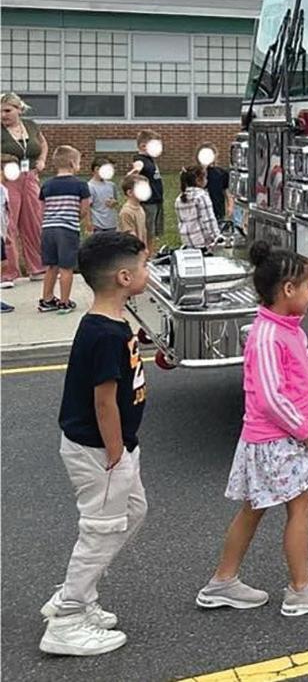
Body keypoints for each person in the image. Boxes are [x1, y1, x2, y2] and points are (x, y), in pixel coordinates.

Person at [196, 242, 308, 617]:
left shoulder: (283, 329)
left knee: (255, 508)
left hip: (273, 437)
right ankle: (301, 589)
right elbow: (270, 397)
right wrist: (305, 429)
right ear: (288, 289)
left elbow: (293, 388)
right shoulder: (269, 336)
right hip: (276, 439)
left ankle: (223, 581)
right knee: (300, 505)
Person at [38, 231, 149, 656]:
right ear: (124, 277)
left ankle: (78, 594)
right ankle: (67, 619)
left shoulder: (115, 321)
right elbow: (104, 402)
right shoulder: (103, 333)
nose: (147, 272)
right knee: (101, 530)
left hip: (114, 448)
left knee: (133, 511)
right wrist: (116, 453)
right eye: (143, 266)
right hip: (100, 450)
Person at [38, 145, 92, 314]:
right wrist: (76, 218)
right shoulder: (81, 185)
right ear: (72, 163)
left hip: (48, 229)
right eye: (78, 162)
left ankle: (47, 299)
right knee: (66, 267)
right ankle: (64, 301)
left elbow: (42, 209)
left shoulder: (46, 185)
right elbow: (84, 209)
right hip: (67, 229)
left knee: (51, 266)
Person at [2, 91, 49, 283]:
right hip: (6, 179)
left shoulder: (31, 125)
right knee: (8, 224)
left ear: (19, 109)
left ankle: (37, 268)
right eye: (0, 112)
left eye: (7, 111)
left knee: (33, 223)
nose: (3, 115)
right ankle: (7, 272)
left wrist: (42, 160)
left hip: (30, 177)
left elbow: (43, 144)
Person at [175, 165, 219, 250]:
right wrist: (217, 237)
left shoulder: (179, 199)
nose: (207, 180)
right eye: (205, 177)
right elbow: (209, 220)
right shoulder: (202, 196)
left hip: (187, 241)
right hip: (203, 243)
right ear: (198, 180)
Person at [132, 130, 165, 239]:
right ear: (143, 146)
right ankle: (146, 249)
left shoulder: (150, 160)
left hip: (157, 200)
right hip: (148, 202)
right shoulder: (140, 160)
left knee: (154, 232)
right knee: (147, 232)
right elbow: (138, 166)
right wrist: (136, 170)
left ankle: (152, 248)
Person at [198, 144, 233, 224]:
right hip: (201, 213)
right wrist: (203, 169)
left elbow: (227, 191)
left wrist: (230, 205)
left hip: (217, 211)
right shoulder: (196, 174)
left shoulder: (221, 173)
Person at [118, 174, 152, 254]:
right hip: (130, 253)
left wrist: (145, 248)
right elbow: (130, 236)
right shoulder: (126, 212)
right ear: (130, 192)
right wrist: (140, 251)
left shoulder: (140, 208)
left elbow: (144, 231)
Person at [87, 157, 119, 235]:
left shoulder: (111, 185)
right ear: (97, 169)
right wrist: (89, 223)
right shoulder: (90, 186)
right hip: (98, 225)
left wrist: (114, 202)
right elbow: (87, 207)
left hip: (112, 224)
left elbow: (116, 201)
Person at [0, 181, 12, 312]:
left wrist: (6, 233)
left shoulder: (3, 189)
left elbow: (5, 212)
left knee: (3, 264)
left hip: (1, 232)